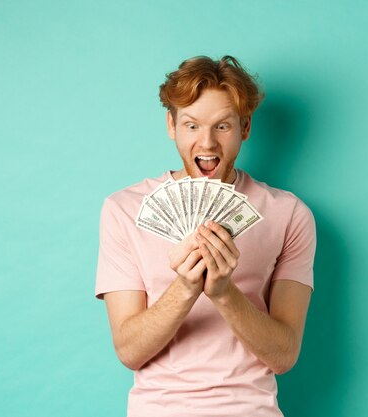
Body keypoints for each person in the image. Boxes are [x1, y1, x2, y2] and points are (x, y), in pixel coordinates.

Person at [95, 55, 316, 417]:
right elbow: (129, 351)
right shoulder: (123, 210)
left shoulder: (289, 214)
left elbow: (284, 355)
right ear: (172, 125)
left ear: (245, 128)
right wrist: (185, 287)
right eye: (192, 126)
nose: (207, 143)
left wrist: (224, 293)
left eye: (223, 127)